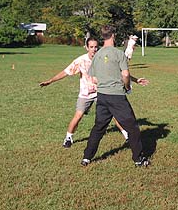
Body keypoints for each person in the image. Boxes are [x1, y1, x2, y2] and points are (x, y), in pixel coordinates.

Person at [39, 38, 129, 148]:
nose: (94, 49)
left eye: (96, 47)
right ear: (87, 47)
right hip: (86, 94)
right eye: (91, 47)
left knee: (115, 114)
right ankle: (68, 138)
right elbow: (66, 72)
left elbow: (120, 72)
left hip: (102, 92)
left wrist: (135, 80)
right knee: (78, 115)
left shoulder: (103, 58)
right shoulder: (81, 60)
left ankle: (127, 135)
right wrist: (51, 81)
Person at [81, 25, 150, 167]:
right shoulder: (119, 54)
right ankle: (138, 159)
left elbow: (93, 79)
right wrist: (127, 86)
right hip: (117, 97)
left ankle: (87, 157)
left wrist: (134, 80)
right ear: (113, 35)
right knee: (132, 128)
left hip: (102, 96)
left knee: (99, 127)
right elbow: (124, 74)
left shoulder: (97, 55)